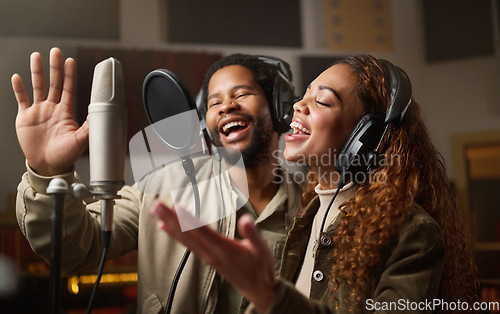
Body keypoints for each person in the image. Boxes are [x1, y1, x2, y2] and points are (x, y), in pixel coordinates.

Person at [151, 55, 479, 313]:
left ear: (365, 138)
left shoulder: (413, 232)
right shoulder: (308, 217)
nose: (297, 106)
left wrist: (268, 293)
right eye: (303, 96)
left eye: (322, 101)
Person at [12, 47, 303, 313]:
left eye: (241, 94)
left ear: (278, 108)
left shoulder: (311, 208)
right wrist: (47, 170)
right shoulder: (161, 188)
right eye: (215, 103)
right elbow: (75, 248)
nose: (226, 107)